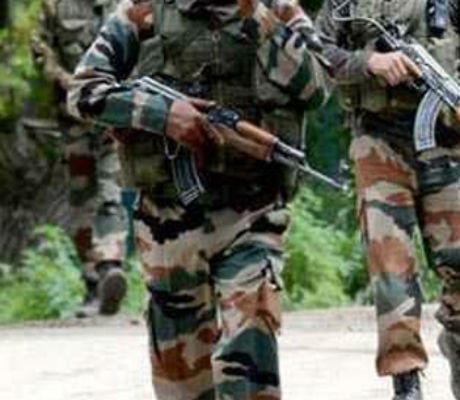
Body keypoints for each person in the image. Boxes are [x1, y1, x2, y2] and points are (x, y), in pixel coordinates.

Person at [67, 0, 330, 398]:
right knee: (183, 385)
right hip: (167, 221)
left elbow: (318, 88)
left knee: (249, 355)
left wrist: (255, 17)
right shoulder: (142, 12)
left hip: (252, 213)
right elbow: (83, 91)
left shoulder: (275, 9)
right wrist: (162, 114)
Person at [316, 0, 460, 398]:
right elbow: (315, 51)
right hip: (378, 140)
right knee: (391, 269)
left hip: (448, 142)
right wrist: (368, 63)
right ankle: (405, 380)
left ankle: (459, 341)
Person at [32, 0, 128, 316]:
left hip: (112, 117)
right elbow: (40, 51)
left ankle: (110, 266)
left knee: (110, 193)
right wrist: (68, 81)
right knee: (82, 196)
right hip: (73, 119)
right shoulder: (54, 5)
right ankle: (94, 282)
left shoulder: (122, 3)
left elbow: (140, 50)